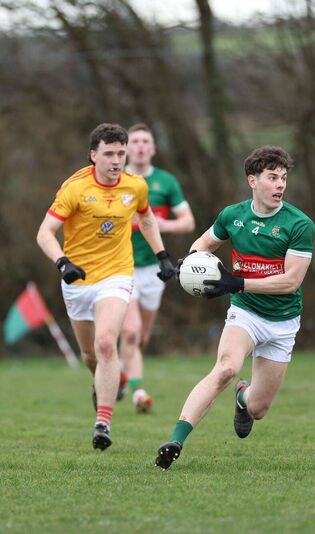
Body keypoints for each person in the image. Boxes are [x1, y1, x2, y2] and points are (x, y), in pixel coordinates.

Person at [153, 145, 315, 470]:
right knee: (226, 368)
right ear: (252, 181)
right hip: (246, 314)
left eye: (283, 178)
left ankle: (242, 398)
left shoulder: (299, 225)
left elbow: (290, 282)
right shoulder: (233, 216)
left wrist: (236, 282)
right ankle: (175, 440)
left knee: (259, 408)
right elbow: (202, 243)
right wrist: (191, 265)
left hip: (282, 322)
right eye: (272, 177)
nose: (280, 184)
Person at [36, 123, 176, 451]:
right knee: (90, 354)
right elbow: (44, 233)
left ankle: (103, 422)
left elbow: (147, 219)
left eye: (120, 154)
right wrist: (62, 263)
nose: (116, 160)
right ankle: (103, 383)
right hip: (78, 279)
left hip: (117, 274)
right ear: (93, 155)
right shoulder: (74, 188)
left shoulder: (135, 186)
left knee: (105, 342)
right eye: (109, 154)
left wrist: (163, 256)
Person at [120, 123, 195, 413]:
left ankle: (120, 375)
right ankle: (138, 392)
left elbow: (188, 222)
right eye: (134, 141)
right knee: (130, 332)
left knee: (142, 337)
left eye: (145, 141)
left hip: (154, 269)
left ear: (153, 148)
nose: (139, 146)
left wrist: (162, 225)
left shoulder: (167, 182)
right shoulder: (119, 179)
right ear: (127, 148)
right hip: (121, 266)